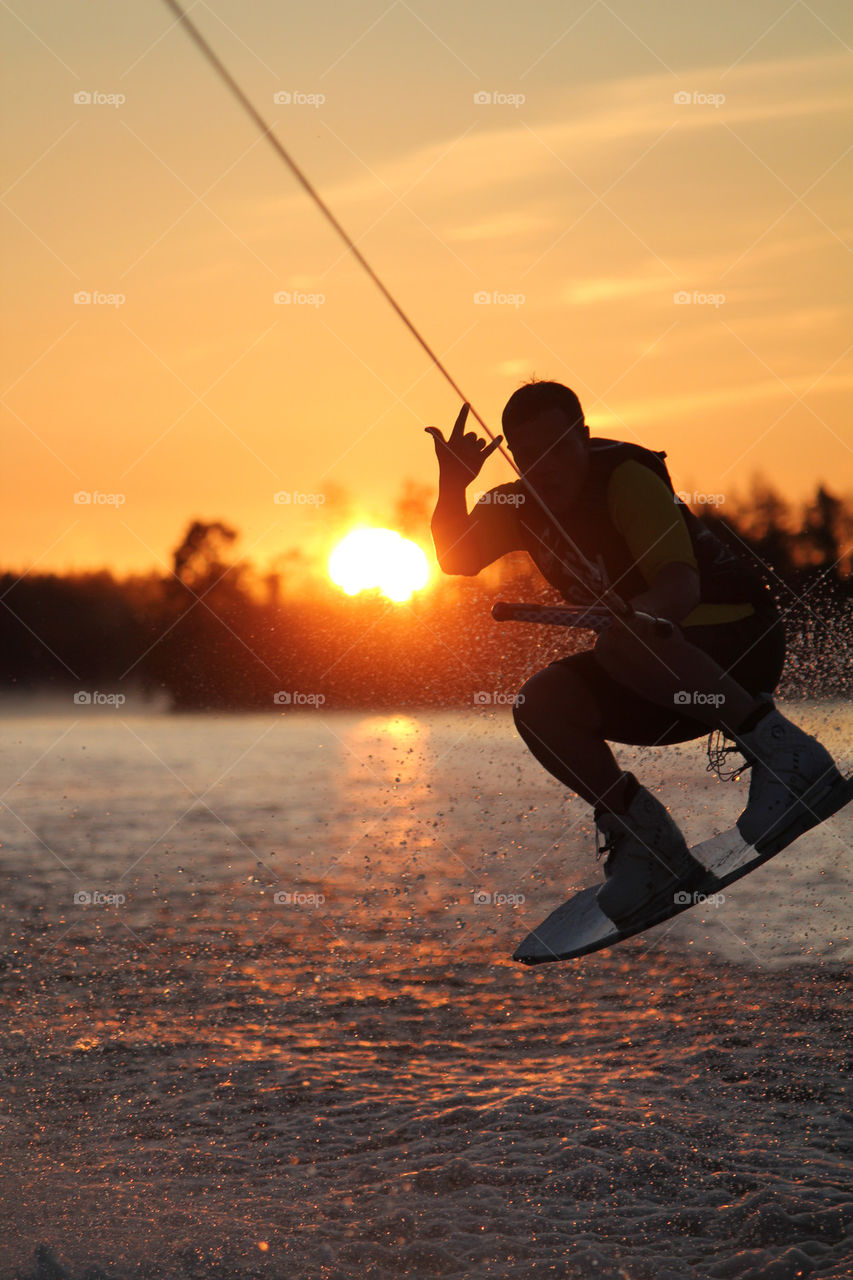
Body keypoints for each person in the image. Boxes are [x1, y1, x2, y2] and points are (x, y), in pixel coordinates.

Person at [426, 380, 845, 923]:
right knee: (540, 704)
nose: (543, 466)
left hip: (738, 645)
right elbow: (456, 557)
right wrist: (452, 481)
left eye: (555, 447)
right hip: (654, 674)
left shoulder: (625, 480)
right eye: (527, 454)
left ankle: (791, 762)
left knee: (622, 641)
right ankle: (647, 844)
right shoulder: (518, 503)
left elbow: (679, 591)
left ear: (584, 435)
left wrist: (625, 624)